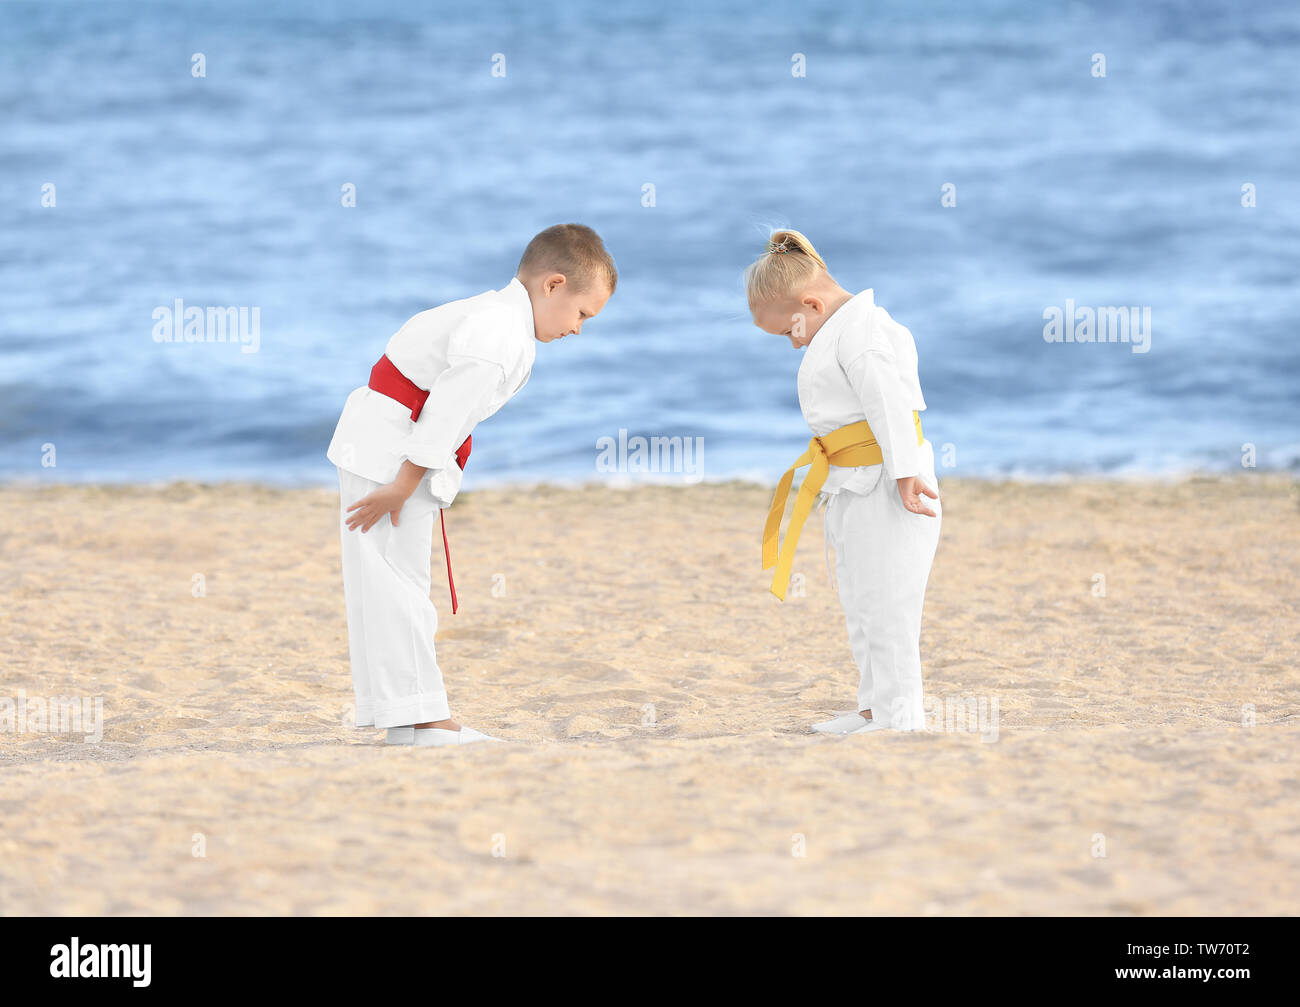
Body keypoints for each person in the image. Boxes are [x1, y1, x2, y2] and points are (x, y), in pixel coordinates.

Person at [326, 224, 616, 746]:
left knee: (385, 584)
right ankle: (428, 721)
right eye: (582, 314)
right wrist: (401, 485)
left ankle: (405, 719)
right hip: (391, 452)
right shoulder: (500, 335)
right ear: (553, 285)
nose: (578, 330)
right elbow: (442, 416)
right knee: (397, 586)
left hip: (380, 441)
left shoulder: (491, 315)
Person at [750, 229, 941, 734]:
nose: (793, 342)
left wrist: (904, 474)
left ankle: (902, 717)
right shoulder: (838, 328)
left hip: (888, 483)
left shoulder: (864, 332)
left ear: (811, 303)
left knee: (889, 604)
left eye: (790, 330)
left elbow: (888, 403)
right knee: (860, 600)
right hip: (851, 483)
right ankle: (874, 708)